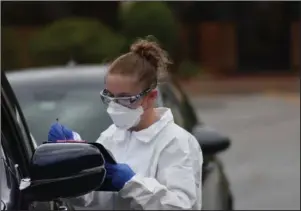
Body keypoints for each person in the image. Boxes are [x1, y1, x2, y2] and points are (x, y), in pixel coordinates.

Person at [49, 38, 203, 210]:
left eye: (125, 98)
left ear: (150, 97)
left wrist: (132, 184)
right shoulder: (111, 136)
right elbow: (94, 201)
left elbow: (181, 206)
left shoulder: (177, 142)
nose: (115, 106)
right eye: (110, 97)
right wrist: (76, 166)